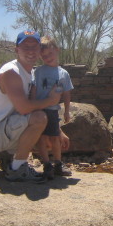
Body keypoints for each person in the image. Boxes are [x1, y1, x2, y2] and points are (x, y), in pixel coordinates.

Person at [0, 30, 69, 183]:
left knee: (49, 137)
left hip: (8, 127)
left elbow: (35, 104)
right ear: (16, 50)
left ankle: (10, 158)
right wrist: (51, 100)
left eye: (34, 47)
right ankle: (16, 169)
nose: (30, 51)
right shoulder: (11, 72)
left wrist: (58, 130)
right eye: (25, 47)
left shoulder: (32, 73)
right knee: (40, 119)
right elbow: (24, 109)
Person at [31, 36, 73, 179]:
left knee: (55, 138)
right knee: (41, 138)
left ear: (57, 50)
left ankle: (58, 164)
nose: (47, 58)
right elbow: (34, 90)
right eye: (44, 56)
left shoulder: (63, 74)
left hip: (54, 110)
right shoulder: (38, 72)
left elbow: (66, 93)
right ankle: (47, 165)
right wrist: (32, 106)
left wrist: (67, 111)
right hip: (39, 110)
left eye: (50, 54)